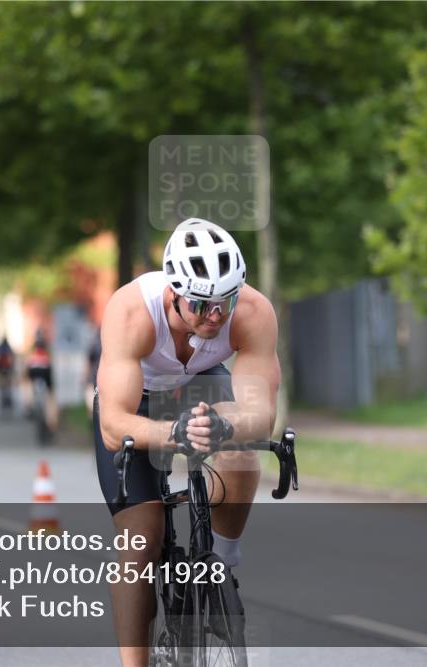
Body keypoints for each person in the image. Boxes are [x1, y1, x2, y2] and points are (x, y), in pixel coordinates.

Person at [94, 218, 280, 666]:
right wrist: (171, 433)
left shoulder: (252, 312)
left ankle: (220, 561)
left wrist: (225, 425)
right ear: (173, 293)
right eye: (201, 304)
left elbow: (260, 411)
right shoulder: (133, 311)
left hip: (200, 383)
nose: (215, 316)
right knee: (142, 540)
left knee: (241, 449)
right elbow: (113, 423)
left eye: (224, 303)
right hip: (136, 401)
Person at [0, 336, 15, 410]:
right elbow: (12, 358)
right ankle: (8, 396)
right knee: (8, 382)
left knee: (1, 381)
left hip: (0, 368)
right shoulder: (9, 348)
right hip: (8, 368)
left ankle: (2, 394)